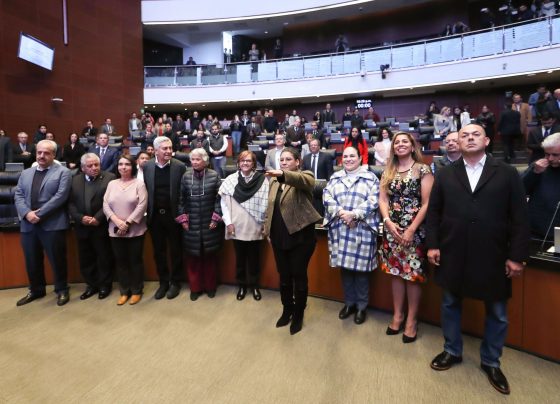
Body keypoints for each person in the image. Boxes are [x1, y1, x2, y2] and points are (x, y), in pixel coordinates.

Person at [426, 124, 529, 395]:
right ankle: (452, 351)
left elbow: (520, 218)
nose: (469, 138)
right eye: (464, 135)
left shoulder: (507, 173)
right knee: (449, 303)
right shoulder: (446, 174)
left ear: (486, 140)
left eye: (475, 135)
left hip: (493, 254)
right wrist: (433, 245)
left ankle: (491, 361)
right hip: (453, 251)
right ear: (457, 142)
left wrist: (516, 256)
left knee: (497, 312)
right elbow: (434, 213)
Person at [379, 132, 434, 343]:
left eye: (405, 141)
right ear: (393, 148)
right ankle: (397, 315)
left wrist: (411, 229)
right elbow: (383, 200)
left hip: (415, 232)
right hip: (392, 230)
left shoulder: (423, 169)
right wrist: (387, 222)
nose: (400, 145)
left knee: (412, 276)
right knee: (396, 273)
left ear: (412, 147)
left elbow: (428, 203)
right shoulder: (388, 170)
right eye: (396, 142)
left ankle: (411, 320)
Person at [264, 148, 321, 335]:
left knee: (298, 275)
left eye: (288, 159)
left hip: (301, 237)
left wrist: (282, 174)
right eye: (281, 159)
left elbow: (305, 181)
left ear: (297, 162)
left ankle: (298, 314)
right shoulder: (273, 180)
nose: (284, 162)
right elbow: (270, 206)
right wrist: (267, 230)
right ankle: (287, 308)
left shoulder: (305, 176)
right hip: (279, 236)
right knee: (284, 276)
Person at [323, 146, 380, 324]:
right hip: (341, 227)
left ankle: (361, 307)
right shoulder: (335, 177)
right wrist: (342, 213)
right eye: (345, 156)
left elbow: (374, 200)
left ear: (360, 158)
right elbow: (327, 197)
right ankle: (349, 303)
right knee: (346, 270)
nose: (348, 159)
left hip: (361, 228)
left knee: (361, 272)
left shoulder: (371, 178)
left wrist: (354, 215)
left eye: (352, 156)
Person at [14, 140, 72, 306]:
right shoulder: (26, 173)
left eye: (46, 153)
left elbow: (60, 197)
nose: (41, 156)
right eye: (39, 152)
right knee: (31, 260)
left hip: (52, 224)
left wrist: (38, 214)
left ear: (54, 154)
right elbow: (18, 195)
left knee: (57, 259)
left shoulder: (63, 172)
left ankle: (61, 289)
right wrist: (27, 214)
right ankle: (36, 290)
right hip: (28, 224)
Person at [219, 151, 269, 301]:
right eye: (242, 161)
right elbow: (224, 204)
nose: (245, 163)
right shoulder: (230, 180)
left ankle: (254, 286)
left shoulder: (262, 180)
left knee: (254, 259)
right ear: (238, 163)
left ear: (254, 163)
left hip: (255, 224)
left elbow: (266, 202)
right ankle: (242, 286)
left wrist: (264, 222)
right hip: (236, 225)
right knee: (240, 260)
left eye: (248, 161)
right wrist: (228, 222)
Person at [143, 136, 186, 300]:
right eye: (165, 148)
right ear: (155, 151)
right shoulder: (147, 167)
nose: (169, 151)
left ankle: (175, 282)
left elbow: (183, 193)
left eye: (170, 148)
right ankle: (163, 282)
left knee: (176, 251)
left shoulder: (179, 166)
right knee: (158, 252)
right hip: (155, 217)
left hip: (173, 216)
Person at [177, 148, 223, 301]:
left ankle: (210, 287)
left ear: (205, 161)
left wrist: (216, 218)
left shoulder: (214, 176)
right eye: (193, 159)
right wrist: (183, 219)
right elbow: (181, 200)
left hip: (210, 224)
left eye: (198, 159)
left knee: (210, 258)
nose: (194, 162)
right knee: (193, 258)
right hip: (191, 224)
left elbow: (219, 200)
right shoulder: (185, 176)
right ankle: (195, 288)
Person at [68, 153, 115, 300]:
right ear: (82, 168)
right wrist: (81, 218)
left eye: (97, 165)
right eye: (90, 166)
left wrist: (98, 218)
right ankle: (91, 285)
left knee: (104, 257)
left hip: (100, 225)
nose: (94, 168)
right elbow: (70, 204)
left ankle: (105, 285)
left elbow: (111, 201)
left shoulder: (110, 178)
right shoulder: (74, 180)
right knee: (86, 258)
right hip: (82, 226)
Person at [103, 155, 148, 305]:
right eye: (121, 164)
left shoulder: (139, 184)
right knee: (120, 261)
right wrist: (117, 221)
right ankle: (124, 291)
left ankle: (136, 290)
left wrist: (127, 223)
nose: (123, 167)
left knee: (135, 261)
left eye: (127, 164)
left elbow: (142, 205)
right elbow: (105, 204)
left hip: (135, 229)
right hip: (114, 229)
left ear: (132, 166)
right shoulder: (111, 184)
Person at [522, 132, 560, 241]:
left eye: (555, 155)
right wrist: (534, 173)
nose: (550, 158)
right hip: (536, 228)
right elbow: (520, 190)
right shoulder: (538, 166)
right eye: (547, 154)